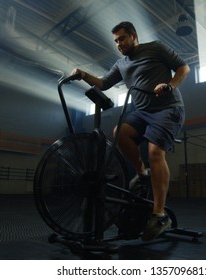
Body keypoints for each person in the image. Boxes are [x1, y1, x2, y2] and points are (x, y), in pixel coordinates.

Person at [71, 21, 190, 241]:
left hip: (167, 108)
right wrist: (83, 75)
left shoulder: (155, 48)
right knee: (120, 132)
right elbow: (104, 83)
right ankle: (142, 173)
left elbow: (184, 68)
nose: (119, 44)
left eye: (122, 38)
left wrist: (170, 85)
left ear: (134, 36)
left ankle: (160, 214)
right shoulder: (121, 63)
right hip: (142, 112)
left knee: (155, 152)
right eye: (116, 41)